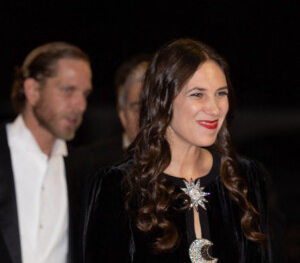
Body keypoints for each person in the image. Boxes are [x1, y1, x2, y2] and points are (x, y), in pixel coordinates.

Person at [84, 38, 276, 262]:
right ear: (163, 100)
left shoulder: (245, 178)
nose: (214, 108)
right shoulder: (118, 185)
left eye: (221, 93)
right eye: (197, 94)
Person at [0, 42, 94, 263]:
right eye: (68, 90)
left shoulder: (83, 170)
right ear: (32, 91)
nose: (81, 105)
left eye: (85, 94)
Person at [84, 54, 151, 165]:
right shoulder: (91, 163)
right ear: (123, 115)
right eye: (138, 108)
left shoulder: (184, 161)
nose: (147, 116)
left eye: (154, 106)